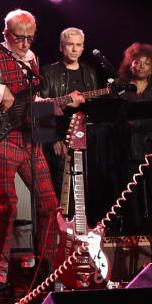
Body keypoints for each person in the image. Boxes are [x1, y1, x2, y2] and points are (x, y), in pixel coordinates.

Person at [0, 9, 83, 302]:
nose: (24, 43)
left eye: (29, 38)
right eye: (19, 38)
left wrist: (62, 104)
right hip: (1, 140)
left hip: (30, 139)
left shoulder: (32, 60)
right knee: (8, 205)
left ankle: (46, 269)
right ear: (6, 35)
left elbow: (33, 103)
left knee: (50, 206)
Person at [114, 42, 152, 234]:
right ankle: (134, 230)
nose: (140, 66)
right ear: (129, 64)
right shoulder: (119, 87)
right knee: (130, 194)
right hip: (128, 148)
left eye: (146, 63)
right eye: (137, 62)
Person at [39, 28, 99, 216]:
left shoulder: (90, 72)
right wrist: (54, 140)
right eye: (70, 44)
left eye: (78, 45)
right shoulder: (48, 71)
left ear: (83, 48)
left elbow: (95, 108)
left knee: (85, 187)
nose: (74, 49)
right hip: (59, 139)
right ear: (61, 47)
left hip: (85, 139)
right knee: (59, 187)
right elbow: (41, 109)